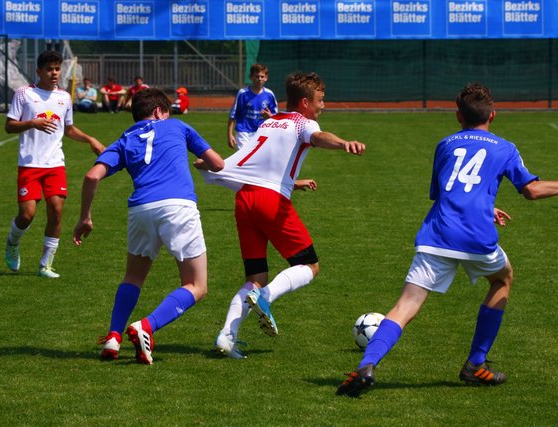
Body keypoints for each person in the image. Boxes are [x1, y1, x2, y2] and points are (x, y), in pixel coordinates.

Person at [336, 83, 558, 397]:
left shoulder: (445, 145)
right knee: (503, 279)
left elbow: (445, 194)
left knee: (406, 305)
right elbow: (531, 190)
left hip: (438, 234)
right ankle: (475, 364)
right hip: (477, 238)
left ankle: (368, 363)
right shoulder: (505, 147)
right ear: (493, 114)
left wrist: (485, 204)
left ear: (458, 116)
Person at [196, 72, 365, 359]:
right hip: (269, 201)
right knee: (309, 266)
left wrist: (292, 182)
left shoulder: (270, 121)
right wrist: (343, 143)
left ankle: (226, 337)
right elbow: (318, 137)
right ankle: (267, 298)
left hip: (245, 200)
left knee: (256, 276)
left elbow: (260, 161)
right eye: (321, 100)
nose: (324, 105)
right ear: (305, 102)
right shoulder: (303, 122)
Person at [73, 88, 224, 364]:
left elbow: (92, 176)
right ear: (159, 112)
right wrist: (203, 162)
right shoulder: (177, 125)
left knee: (133, 278)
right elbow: (218, 163)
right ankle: (147, 326)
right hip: (178, 206)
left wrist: (85, 216)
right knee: (196, 285)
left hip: (141, 210)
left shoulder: (125, 138)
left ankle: (113, 336)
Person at [4, 51, 105, 278]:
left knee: (56, 211)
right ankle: (12, 242)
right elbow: (9, 126)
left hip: (55, 164)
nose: (54, 73)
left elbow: (68, 129)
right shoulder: (24, 94)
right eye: (49, 69)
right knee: (27, 215)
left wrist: (90, 139)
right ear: (39, 71)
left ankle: (45, 264)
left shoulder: (64, 98)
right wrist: (32, 123)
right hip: (30, 164)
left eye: (57, 69)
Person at [227, 63, 278, 150]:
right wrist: (230, 135)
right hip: (243, 132)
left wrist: (270, 117)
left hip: (262, 132)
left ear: (266, 78)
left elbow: (276, 118)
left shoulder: (269, 95)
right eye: (257, 76)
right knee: (243, 160)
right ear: (251, 77)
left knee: (259, 161)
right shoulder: (243, 93)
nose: (259, 79)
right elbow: (233, 115)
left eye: (262, 77)